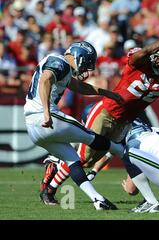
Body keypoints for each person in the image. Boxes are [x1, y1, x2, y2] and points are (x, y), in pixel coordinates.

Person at [40, 27, 159, 200]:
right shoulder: (137, 64)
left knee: (96, 161)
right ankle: (49, 189)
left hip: (124, 123)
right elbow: (142, 53)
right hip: (106, 113)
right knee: (82, 157)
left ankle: (148, 199)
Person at [25, 41, 125, 210]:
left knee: (73, 160)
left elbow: (78, 86)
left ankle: (97, 199)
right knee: (90, 137)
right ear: (78, 56)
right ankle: (124, 153)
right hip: (47, 118)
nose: (86, 69)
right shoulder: (60, 61)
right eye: (85, 63)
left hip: (32, 128)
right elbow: (45, 80)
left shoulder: (62, 68)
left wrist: (107, 93)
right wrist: (47, 112)